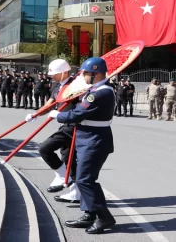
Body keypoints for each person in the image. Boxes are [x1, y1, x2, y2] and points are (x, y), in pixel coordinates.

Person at [47, 57, 116, 234]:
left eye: (85, 73)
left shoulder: (101, 92)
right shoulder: (93, 89)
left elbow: (77, 114)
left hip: (94, 141)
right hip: (87, 139)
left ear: (96, 74)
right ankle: (89, 214)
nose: (82, 76)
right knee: (82, 178)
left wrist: (58, 115)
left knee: (85, 180)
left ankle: (104, 217)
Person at [26, 59, 80, 201]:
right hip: (65, 124)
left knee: (45, 148)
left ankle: (63, 176)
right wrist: (35, 114)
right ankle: (76, 192)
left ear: (64, 72)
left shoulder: (75, 85)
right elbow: (49, 105)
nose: (51, 76)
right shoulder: (57, 86)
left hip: (74, 125)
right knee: (68, 158)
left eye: (54, 73)